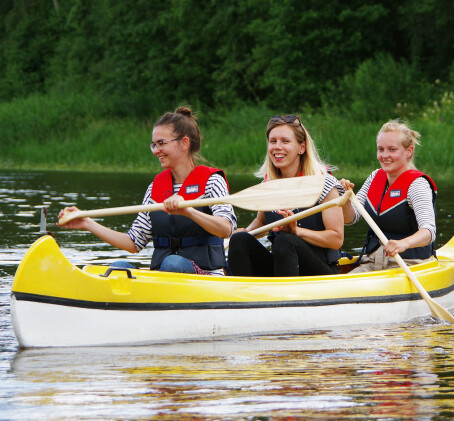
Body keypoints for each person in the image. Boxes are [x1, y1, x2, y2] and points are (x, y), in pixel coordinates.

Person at [58, 106, 237, 275]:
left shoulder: (212, 181)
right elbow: (134, 242)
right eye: (154, 145)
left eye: (161, 143)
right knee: (118, 268)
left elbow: (226, 229)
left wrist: (188, 211)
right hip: (164, 276)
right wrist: (87, 223)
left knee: (172, 263)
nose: (155, 151)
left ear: (184, 143)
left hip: (205, 276)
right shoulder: (155, 189)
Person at [227, 114, 345, 277]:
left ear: (301, 147)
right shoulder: (268, 186)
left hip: (319, 273)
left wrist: (296, 231)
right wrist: (245, 232)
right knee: (239, 240)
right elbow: (262, 221)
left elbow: (336, 238)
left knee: (285, 239)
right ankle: (244, 296)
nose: (277, 147)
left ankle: (283, 298)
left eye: (285, 141)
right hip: (283, 266)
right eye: (273, 141)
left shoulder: (325, 184)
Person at [341, 119, 437, 273]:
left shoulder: (417, 185)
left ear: (408, 151)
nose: (385, 155)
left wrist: (403, 244)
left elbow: (429, 232)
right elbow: (350, 218)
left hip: (410, 264)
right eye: (381, 149)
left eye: (392, 149)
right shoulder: (374, 177)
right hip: (373, 262)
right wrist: (345, 199)